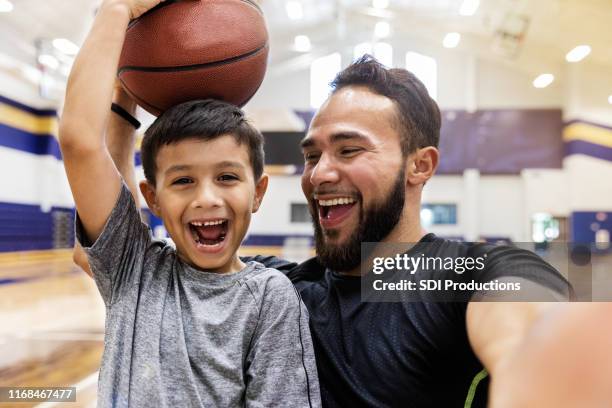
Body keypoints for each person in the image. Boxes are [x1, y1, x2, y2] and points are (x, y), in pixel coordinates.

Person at [59, 0, 321, 407]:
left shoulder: (271, 297)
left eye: (227, 177)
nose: (206, 198)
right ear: (152, 199)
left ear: (259, 192)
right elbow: (79, 140)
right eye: (183, 181)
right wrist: (117, 13)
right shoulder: (134, 270)